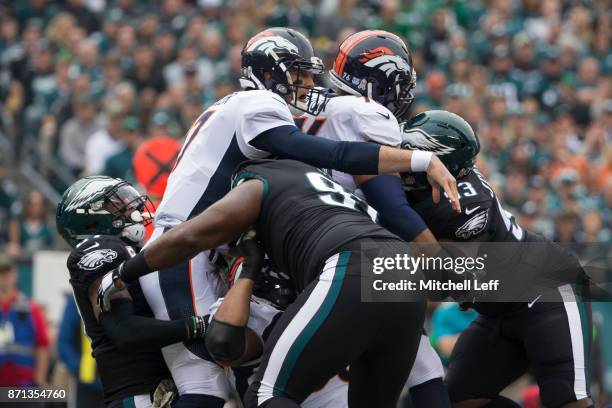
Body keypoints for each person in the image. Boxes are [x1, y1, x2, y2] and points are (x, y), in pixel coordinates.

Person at [133, 26, 458, 407]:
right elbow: (343, 165)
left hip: (234, 254)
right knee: (208, 379)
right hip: (187, 250)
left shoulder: (250, 116)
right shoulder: (262, 106)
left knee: (235, 377)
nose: (307, 83)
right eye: (299, 73)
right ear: (270, 72)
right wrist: (418, 160)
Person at [98, 158, 429, 408]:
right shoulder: (322, 195)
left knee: (268, 394)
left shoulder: (256, 182)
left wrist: (125, 272)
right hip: (402, 269)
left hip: (350, 268)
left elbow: (222, 341)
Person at [295, 29, 454, 408]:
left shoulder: (310, 107)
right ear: (378, 80)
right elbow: (391, 205)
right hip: (347, 258)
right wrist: (442, 264)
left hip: (300, 250)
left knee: (422, 363)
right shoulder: (366, 113)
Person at [402, 110, 594, 408]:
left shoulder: (465, 205)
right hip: (499, 310)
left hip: (546, 290)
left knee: (566, 398)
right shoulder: (436, 189)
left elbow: (453, 273)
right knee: (461, 398)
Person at [56, 176, 214, 408]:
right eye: (117, 203)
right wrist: (199, 325)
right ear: (90, 217)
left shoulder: (124, 250)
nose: (131, 206)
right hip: (138, 395)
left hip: (155, 391)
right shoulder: (98, 249)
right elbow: (124, 330)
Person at [0, 254, 50, 388]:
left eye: (6, 272)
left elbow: (43, 344)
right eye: (0, 272)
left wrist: (39, 378)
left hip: (24, 385)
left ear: (15, 274)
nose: (3, 277)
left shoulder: (30, 307)